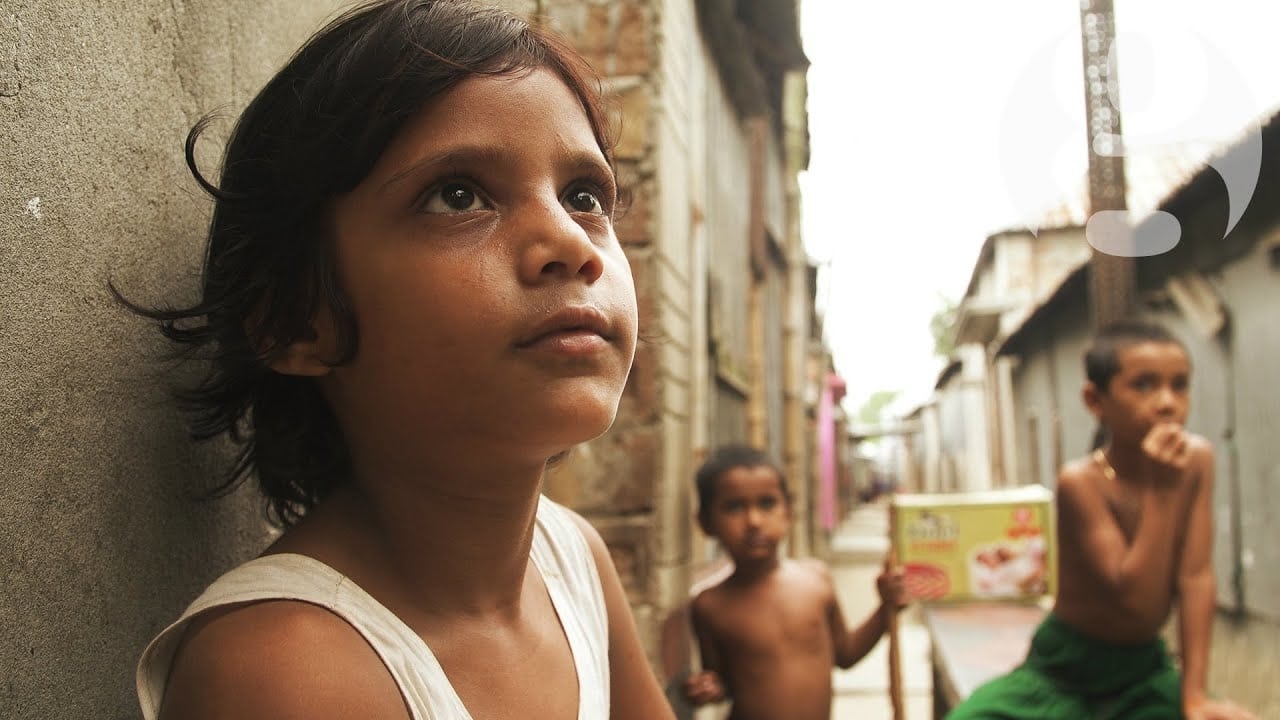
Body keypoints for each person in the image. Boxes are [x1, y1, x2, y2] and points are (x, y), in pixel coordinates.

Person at [123, 2, 675, 718]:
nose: (571, 243)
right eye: (457, 195)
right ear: (296, 321)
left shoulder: (571, 562)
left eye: (583, 195)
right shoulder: (285, 673)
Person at [948, 319, 1255, 720]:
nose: (1166, 402)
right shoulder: (1081, 482)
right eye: (1143, 385)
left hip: (1141, 668)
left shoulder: (1197, 461)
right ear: (1095, 401)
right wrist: (1162, 493)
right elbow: (1133, 598)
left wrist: (1194, 694)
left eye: (1179, 385)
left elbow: (1195, 578)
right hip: (1066, 666)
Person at [682, 445, 906, 720]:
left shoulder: (816, 579)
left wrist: (886, 608)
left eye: (767, 503)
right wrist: (710, 687)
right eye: (734, 507)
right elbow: (724, 682)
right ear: (705, 522)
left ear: (788, 511)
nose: (753, 521)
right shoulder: (710, 606)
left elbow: (845, 654)